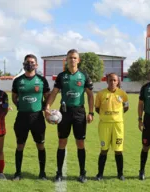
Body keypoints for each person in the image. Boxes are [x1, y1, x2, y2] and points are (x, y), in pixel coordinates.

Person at [45, 49, 94, 183]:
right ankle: (59, 173)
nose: (72, 60)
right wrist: (47, 107)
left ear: (78, 60)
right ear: (66, 60)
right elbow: (54, 93)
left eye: (74, 58)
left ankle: (82, 172)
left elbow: (90, 95)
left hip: (79, 112)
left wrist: (91, 112)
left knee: (80, 143)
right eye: (69, 58)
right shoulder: (62, 76)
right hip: (64, 113)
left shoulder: (84, 75)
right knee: (62, 142)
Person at [12, 54, 50, 180]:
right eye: (28, 62)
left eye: (32, 62)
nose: (30, 64)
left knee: (40, 145)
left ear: (36, 65)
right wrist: (21, 105)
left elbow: (48, 96)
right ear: (24, 64)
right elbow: (14, 97)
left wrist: (44, 107)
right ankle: (17, 173)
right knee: (20, 145)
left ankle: (42, 173)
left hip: (37, 117)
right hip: (22, 117)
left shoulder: (42, 80)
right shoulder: (18, 81)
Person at [95, 73, 129, 181]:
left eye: (114, 80)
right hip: (104, 125)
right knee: (104, 149)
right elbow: (97, 108)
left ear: (118, 81)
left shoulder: (123, 94)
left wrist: (116, 115)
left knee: (118, 150)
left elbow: (126, 107)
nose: (112, 82)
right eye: (110, 80)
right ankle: (100, 174)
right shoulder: (100, 94)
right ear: (107, 81)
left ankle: (120, 174)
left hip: (118, 125)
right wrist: (106, 116)